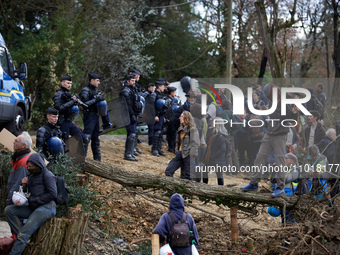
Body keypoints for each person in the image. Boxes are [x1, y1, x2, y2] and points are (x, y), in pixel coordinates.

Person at [240, 83, 299, 197]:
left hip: (280, 134)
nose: (268, 98)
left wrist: (294, 113)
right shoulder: (272, 102)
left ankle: (280, 187)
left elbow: (290, 119)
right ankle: (254, 183)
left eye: (269, 95)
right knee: (260, 157)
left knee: (280, 161)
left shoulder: (283, 102)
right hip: (269, 133)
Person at [4, 153, 57, 255]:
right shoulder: (31, 176)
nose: (28, 168)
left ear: (37, 165)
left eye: (30, 166)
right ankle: (23, 237)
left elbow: (53, 194)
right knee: (9, 210)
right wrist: (24, 186)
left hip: (46, 207)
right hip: (33, 206)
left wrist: (36, 200)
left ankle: (19, 243)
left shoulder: (48, 175)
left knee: (24, 233)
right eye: (27, 166)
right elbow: (28, 193)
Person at [165, 111, 200, 180]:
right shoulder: (180, 129)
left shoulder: (193, 129)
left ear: (186, 118)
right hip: (180, 154)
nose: (179, 118)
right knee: (168, 170)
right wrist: (177, 151)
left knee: (187, 176)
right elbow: (178, 141)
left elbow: (195, 143)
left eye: (181, 116)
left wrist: (190, 155)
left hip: (188, 155)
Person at [80, 72, 106, 162]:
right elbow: (83, 104)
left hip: (95, 116)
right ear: (92, 80)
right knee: (86, 138)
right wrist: (95, 99)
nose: (99, 82)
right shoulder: (85, 90)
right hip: (89, 116)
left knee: (96, 139)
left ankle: (98, 160)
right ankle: (82, 160)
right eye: (97, 81)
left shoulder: (95, 90)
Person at [53, 75, 86, 143]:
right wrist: (72, 101)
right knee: (64, 143)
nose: (69, 85)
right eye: (68, 83)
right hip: (61, 122)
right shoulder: (58, 95)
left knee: (84, 139)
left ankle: (76, 154)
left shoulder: (69, 95)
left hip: (69, 121)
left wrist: (76, 101)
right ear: (62, 83)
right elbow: (59, 108)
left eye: (71, 83)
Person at [119, 74, 142, 161]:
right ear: (128, 81)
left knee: (133, 133)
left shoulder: (133, 90)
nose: (134, 82)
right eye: (132, 81)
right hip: (128, 116)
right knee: (131, 134)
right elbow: (127, 106)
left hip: (134, 115)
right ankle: (128, 154)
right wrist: (132, 115)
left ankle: (131, 153)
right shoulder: (126, 91)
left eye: (134, 80)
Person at [6, 132, 31, 207]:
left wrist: (9, 201)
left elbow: (17, 185)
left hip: (17, 201)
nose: (13, 142)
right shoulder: (20, 159)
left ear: (23, 146)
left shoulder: (23, 163)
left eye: (16, 141)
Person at [203, 117, 230, 185]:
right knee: (205, 171)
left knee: (219, 175)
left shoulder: (221, 136)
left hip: (217, 159)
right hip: (211, 157)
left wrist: (214, 156)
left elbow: (223, 149)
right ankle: (204, 185)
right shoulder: (213, 133)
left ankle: (220, 188)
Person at [151, 80, 167, 157]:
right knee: (157, 132)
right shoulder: (154, 95)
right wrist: (155, 115)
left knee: (160, 132)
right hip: (156, 116)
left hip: (161, 115)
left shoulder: (162, 94)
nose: (164, 88)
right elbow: (152, 106)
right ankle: (154, 149)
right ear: (159, 86)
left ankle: (159, 148)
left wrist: (163, 116)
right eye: (163, 86)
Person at [165, 86, 178, 153]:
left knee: (173, 134)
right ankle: (171, 147)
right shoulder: (168, 100)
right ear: (171, 92)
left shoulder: (172, 99)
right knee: (171, 134)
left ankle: (172, 147)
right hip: (170, 119)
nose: (175, 93)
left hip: (172, 119)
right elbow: (168, 110)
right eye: (174, 92)